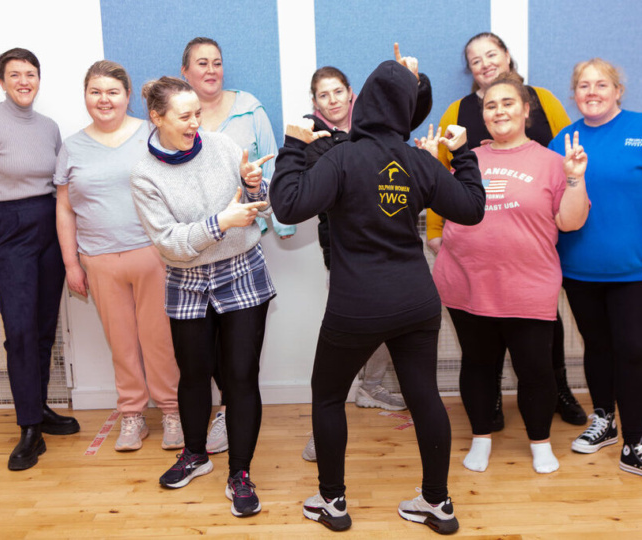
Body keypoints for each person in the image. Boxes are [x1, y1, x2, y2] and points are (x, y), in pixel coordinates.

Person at [271, 59, 485, 534]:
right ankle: (438, 504)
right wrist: (463, 154)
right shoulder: (418, 161)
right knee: (425, 397)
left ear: (361, 100)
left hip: (357, 307)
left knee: (327, 398)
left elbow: (287, 203)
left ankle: (332, 502)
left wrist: (291, 145)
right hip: (416, 303)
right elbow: (472, 208)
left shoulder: (342, 159)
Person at [429, 72, 589, 475]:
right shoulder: (468, 158)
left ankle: (540, 443)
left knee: (535, 369)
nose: (499, 111)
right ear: (482, 115)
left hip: (528, 286)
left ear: (525, 110)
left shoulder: (553, 161)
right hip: (465, 280)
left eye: (507, 103)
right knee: (479, 364)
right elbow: (443, 206)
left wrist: (574, 178)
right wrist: (431, 167)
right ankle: (481, 438)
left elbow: (570, 222)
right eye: (490, 105)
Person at [130, 76, 275, 516]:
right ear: (157, 117)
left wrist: (254, 187)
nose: (196, 122)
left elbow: (259, 206)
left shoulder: (224, 146)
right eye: (184, 115)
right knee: (192, 374)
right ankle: (194, 455)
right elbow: (169, 243)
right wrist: (220, 222)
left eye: (198, 113)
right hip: (186, 279)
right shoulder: (143, 173)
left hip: (241, 272)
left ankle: (240, 474)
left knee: (240, 376)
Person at [548, 58, 642, 484]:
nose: (592, 91)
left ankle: (635, 444)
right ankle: (604, 419)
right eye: (583, 85)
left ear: (618, 90)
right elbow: (550, 204)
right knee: (596, 348)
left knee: (631, 352)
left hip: (634, 271)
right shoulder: (561, 141)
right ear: (573, 95)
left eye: (601, 84)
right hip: (580, 270)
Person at [300, 47, 433, 462]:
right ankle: (322, 430)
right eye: (323, 94)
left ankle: (371, 388)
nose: (332, 99)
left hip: (395, 265)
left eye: (338, 91)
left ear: (354, 94)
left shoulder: (378, 129)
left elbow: (413, 110)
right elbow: (300, 197)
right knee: (335, 369)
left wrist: (415, 78)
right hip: (343, 258)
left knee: (385, 337)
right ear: (315, 103)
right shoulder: (315, 137)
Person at [0, 48, 79, 471]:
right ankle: (29, 428)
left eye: (31, 74)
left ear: (39, 80)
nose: (24, 81)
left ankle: (39, 407)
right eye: (15, 75)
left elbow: (61, 181)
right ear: (2, 81)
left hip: (48, 221)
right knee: (21, 329)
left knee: (44, 327)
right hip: (6, 226)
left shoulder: (49, 127)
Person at [54, 60, 182, 452]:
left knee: (160, 339)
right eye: (95, 92)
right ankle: (132, 415)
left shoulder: (151, 133)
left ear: (128, 96)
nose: (103, 99)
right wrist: (72, 263)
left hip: (153, 255)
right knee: (122, 342)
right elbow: (64, 208)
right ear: (86, 97)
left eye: (112, 91)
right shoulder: (72, 146)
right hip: (100, 261)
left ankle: (173, 412)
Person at [180, 36, 294, 454]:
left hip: (243, 245)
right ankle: (225, 408)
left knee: (238, 346)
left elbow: (273, 163)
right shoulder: (180, 113)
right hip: (193, 249)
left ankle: (230, 411)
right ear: (185, 72)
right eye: (201, 63)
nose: (211, 70)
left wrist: (279, 222)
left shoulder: (249, 106)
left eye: (217, 62)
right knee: (202, 348)